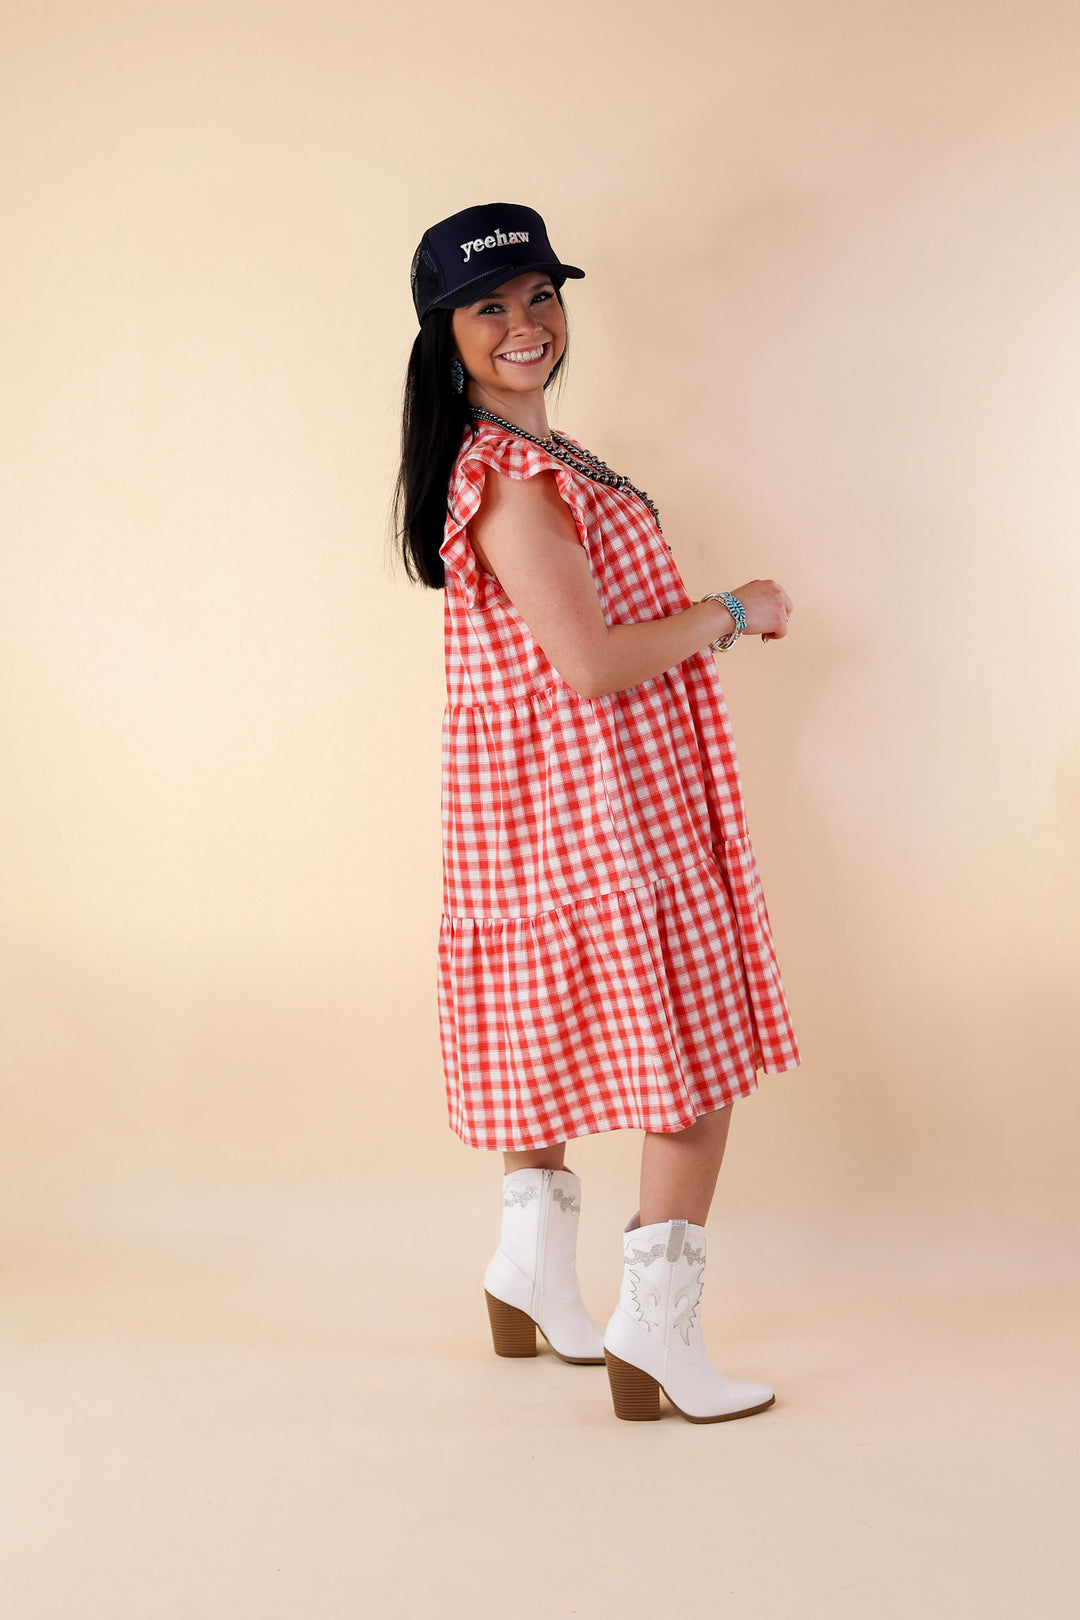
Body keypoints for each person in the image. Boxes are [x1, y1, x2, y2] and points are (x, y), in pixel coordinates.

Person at [392, 202, 800, 1424]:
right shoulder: (510, 476)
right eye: (489, 308)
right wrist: (737, 610)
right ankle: (656, 1337)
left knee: (553, 1039)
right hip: (601, 806)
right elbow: (591, 663)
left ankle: (528, 1272)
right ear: (444, 335)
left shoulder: (534, 456)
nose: (524, 325)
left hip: (547, 807)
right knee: (690, 1065)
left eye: (538, 297)